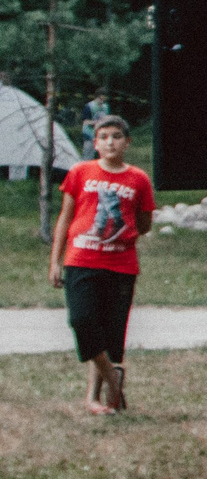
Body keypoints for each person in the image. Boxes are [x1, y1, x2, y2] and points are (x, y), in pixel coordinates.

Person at [48, 112, 152, 415]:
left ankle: (95, 399)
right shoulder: (80, 172)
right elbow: (65, 218)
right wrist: (55, 261)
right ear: (94, 143)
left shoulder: (138, 179)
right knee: (81, 320)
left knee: (109, 333)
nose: (110, 142)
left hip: (120, 266)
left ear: (127, 142)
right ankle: (113, 379)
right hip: (81, 260)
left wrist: (119, 236)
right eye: (103, 137)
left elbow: (144, 223)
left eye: (117, 136)